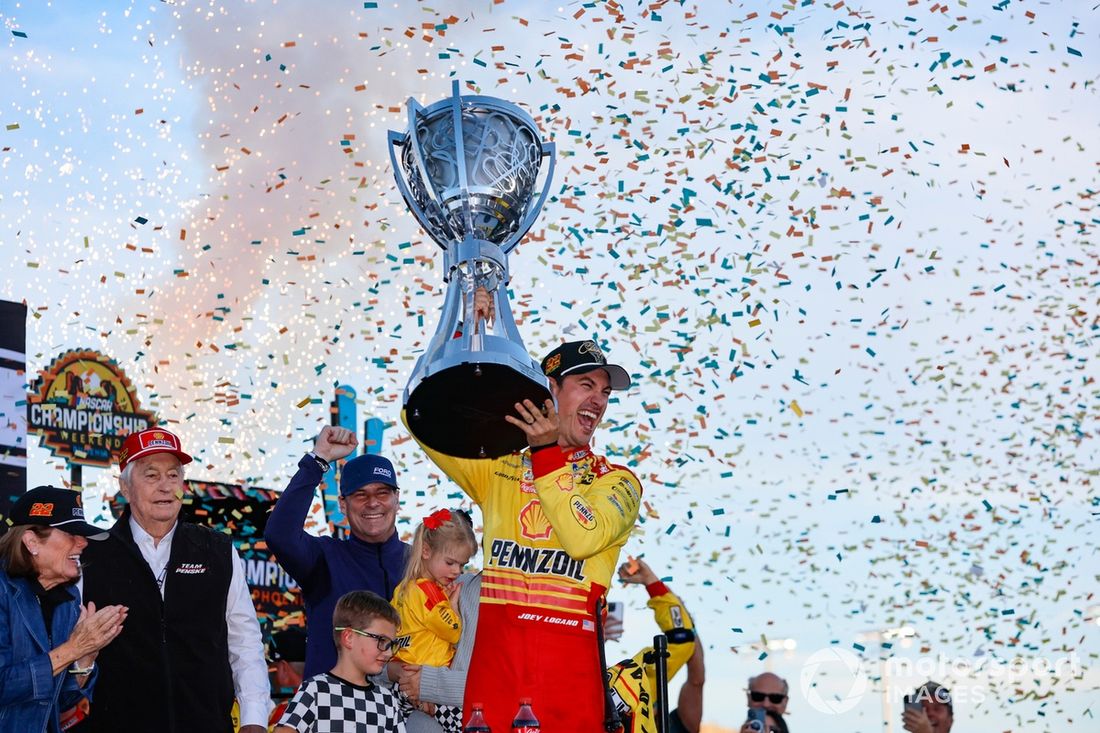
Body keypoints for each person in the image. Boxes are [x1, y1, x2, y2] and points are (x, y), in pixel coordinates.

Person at [406, 335, 642, 732]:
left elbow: (582, 538)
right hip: (492, 695)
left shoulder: (618, 483)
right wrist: (466, 328)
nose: (599, 401)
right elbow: (418, 412)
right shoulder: (499, 468)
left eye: (604, 392)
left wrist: (547, 452)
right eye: (585, 385)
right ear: (549, 390)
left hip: (569, 700)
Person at [77, 427, 271, 733]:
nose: (165, 487)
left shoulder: (216, 549)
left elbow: (244, 642)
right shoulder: (91, 555)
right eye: (151, 475)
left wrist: (254, 719)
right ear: (125, 488)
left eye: (174, 475)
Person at [265, 425, 409, 677]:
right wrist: (318, 459)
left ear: (397, 499)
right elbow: (279, 534)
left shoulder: (421, 562)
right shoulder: (325, 558)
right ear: (343, 504)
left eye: (382, 493)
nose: (373, 503)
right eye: (360, 495)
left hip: (408, 712)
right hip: (335, 711)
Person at [0, 486, 127, 733]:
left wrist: (86, 657)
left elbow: (64, 704)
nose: (83, 542)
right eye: (71, 533)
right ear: (31, 541)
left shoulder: (68, 598)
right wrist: (74, 648)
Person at [391, 508, 477, 733]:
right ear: (426, 551)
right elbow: (453, 632)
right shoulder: (430, 594)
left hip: (408, 673)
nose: (457, 571)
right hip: (424, 677)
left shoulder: (403, 588)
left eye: (462, 565)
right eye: (450, 563)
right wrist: (453, 608)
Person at [275, 590, 406, 733]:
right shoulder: (317, 690)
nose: (389, 652)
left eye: (391, 644)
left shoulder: (386, 700)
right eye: (381, 640)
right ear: (348, 637)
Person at [605, 558, 698, 733]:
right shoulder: (630, 681)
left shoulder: (630, 681)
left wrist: (652, 583)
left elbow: (682, 639)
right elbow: (682, 640)